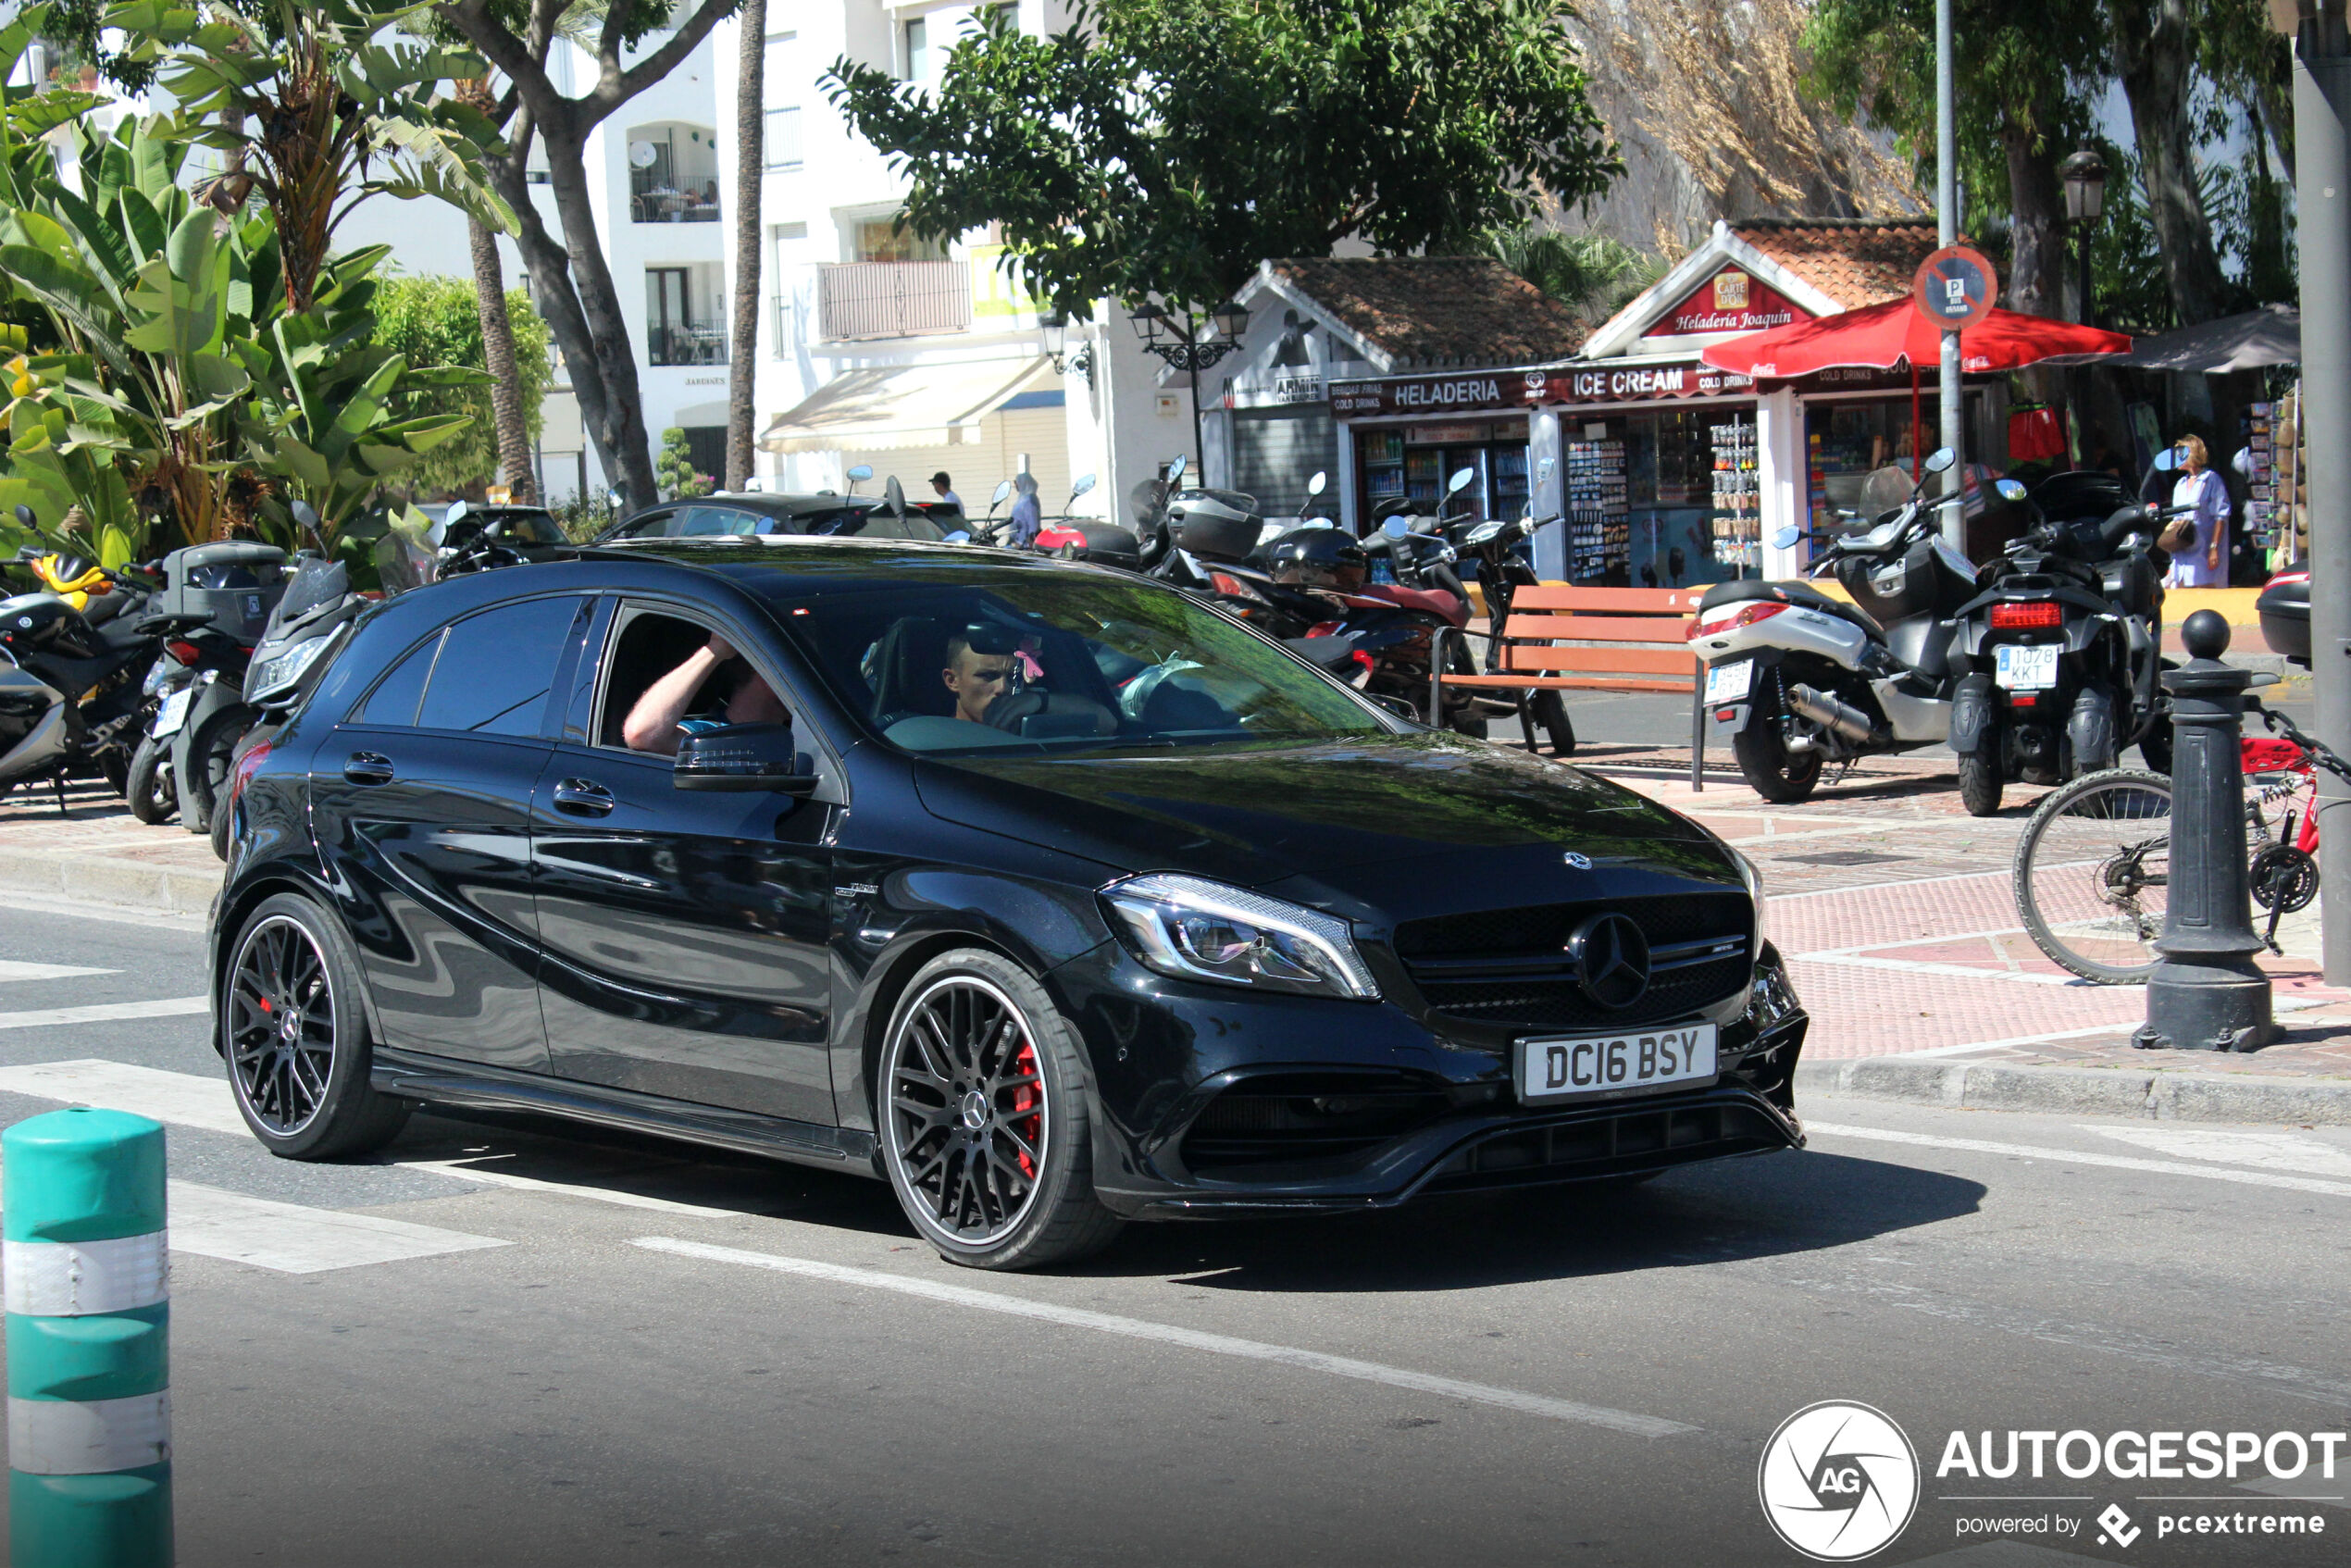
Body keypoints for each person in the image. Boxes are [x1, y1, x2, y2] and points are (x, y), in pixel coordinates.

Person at [622, 633, 789, 754]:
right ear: (763, 673)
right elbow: (642, 734)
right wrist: (717, 648)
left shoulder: (804, 733)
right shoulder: (710, 734)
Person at [2163, 434, 2230, 588]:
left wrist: (2214, 548)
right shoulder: (2180, 484)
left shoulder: (2211, 479)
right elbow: (2176, 517)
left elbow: (2221, 516)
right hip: (2182, 549)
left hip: (2203, 548)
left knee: (2205, 587)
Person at [941, 633, 1014, 724]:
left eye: (1013, 678)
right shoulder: (933, 736)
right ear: (952, 680)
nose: (1003, 688)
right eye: (988, 676)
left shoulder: (1027, 734)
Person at [1008, 473, 1042, 548]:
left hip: (1023, 544)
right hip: (1017, 539)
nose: (1015, 485)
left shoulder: (1029, 500)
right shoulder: (1022, 498)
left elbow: (1033, 523)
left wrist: (1029, 542)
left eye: (1017, 482)